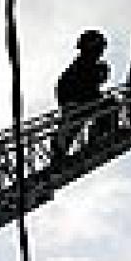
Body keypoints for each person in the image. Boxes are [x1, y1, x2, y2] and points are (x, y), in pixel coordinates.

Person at [53, 30, 111, 169]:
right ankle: (62, 150)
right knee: (107, 107)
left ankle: (92, 138)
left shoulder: (84, 65)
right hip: (77, 102)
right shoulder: (84, 65)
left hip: (79, 102)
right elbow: (87, 84)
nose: (100, 52)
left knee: (73, 126)